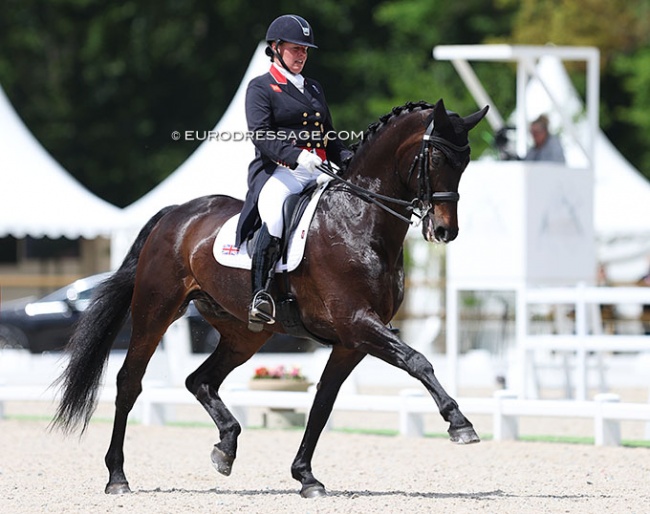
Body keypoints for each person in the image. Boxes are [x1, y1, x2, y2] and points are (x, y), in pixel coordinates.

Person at [235, 14, 353, 330]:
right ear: (276, 48)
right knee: (274, 216)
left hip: (319, 170)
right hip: (281, 172)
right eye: (295, 48)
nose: (301, 55)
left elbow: (328, 134)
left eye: (305, 50)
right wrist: (298, 156)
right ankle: (260, 296)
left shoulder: (313, 87)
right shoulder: (261, 87)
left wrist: (347, 157)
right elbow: (261, 134)